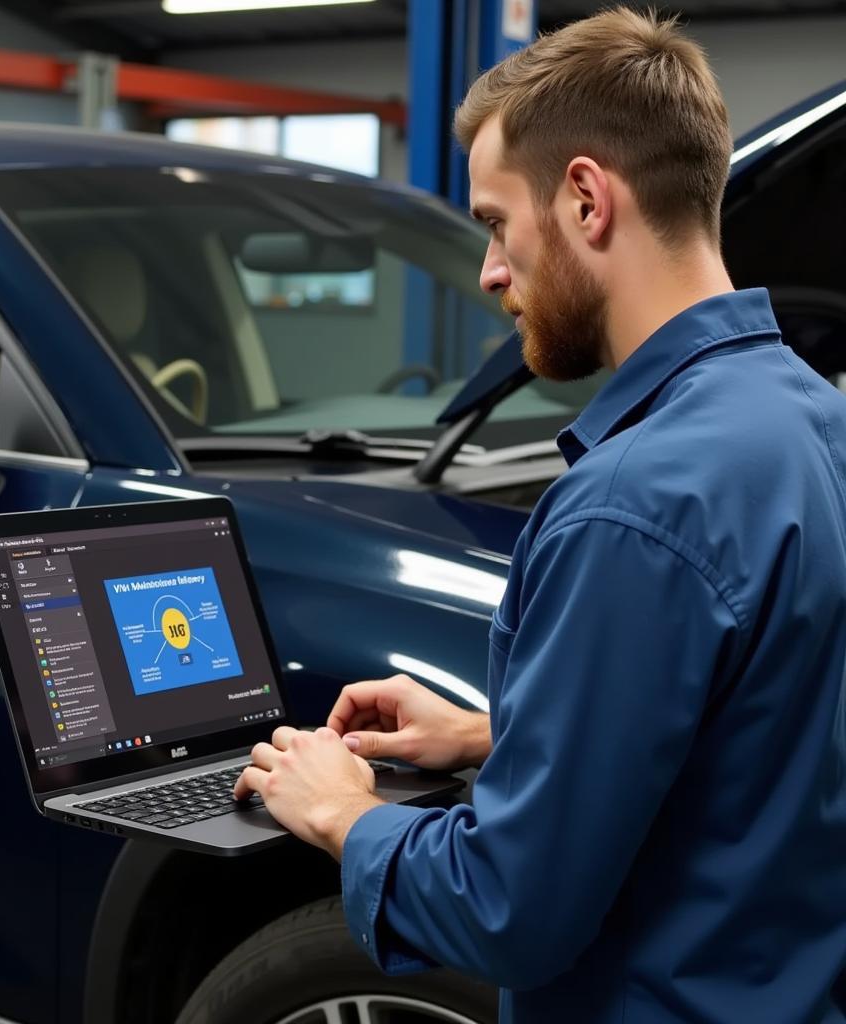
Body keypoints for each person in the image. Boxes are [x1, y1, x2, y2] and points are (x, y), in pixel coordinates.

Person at [234, 7, 846, 1021]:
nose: (488, 273)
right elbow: (768, 734)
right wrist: (501, 735)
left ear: (583, 199)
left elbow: (506, 909)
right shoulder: (811, 418)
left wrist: (342, 812)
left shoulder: (629, 505)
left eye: (491, 223)